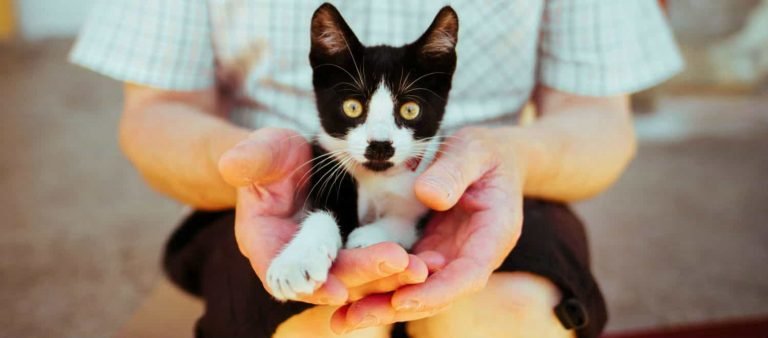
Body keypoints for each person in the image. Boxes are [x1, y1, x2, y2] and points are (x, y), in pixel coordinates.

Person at [71, 1, 682, 337]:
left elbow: (598, 122)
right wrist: (251, 168)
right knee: (325, 329)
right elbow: (158, 113)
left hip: (486, 185)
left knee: (505, 319)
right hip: (266, 199)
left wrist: (511, 157)